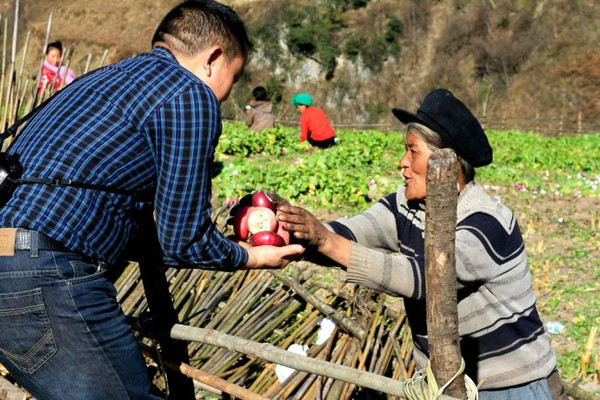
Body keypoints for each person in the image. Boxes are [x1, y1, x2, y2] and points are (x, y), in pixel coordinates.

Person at [0, 1, 303, 399]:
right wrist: (250, 255)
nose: (227, 95)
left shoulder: (97, 81)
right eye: (234, 77)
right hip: (43, 271)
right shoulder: (190, 94)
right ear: (213, 59)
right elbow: (184, 238)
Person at [278, 89, 566, 399]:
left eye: (412, 151)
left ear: (447, 162)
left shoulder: (488, 221)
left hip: (512, 388)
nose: (402, 163)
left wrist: (325, 241)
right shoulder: (407, 206)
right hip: (444, 385)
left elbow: (428, 278)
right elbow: (353, 231)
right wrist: (293, 234)